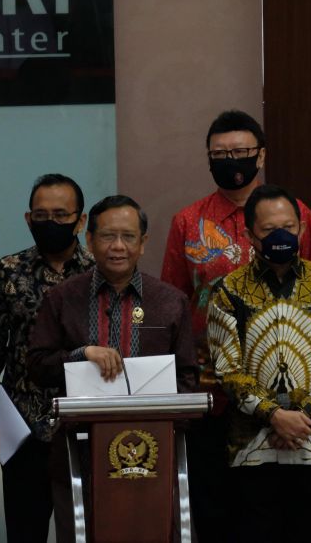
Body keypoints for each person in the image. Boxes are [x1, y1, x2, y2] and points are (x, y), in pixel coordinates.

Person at [160, 109, 311, 541]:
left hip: (289, 399)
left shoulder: (297, 215)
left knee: (289, 517)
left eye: (240, 151)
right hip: (214, 395)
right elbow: (173, 307)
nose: (231, 160)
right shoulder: (188, 222)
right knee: (218, 513)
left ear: (261, 155)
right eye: (220, 154)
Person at [27, 195, 196, 541]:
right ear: (89, 240)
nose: (118, 246)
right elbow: (37, 365)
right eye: (107, 236)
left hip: (152, 456)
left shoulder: (170, 302)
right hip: (78, 453)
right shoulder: (62, 298)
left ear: (143, 243)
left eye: (128, 237)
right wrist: (80, 355)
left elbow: (188, 379)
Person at [207, 184, 311, 542]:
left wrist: (301, 418)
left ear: (301, 229)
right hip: (251, 451)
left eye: (288, 227)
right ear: (249, 236)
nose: (281, 236)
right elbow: (227, 369)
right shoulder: (228, 291)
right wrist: (274, 416)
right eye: (269, 230)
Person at [0, 174, 94, 542]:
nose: (50, 223)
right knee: (25, 530)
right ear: (28, 219)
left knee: (85, 529)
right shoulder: (8, 271)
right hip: (22, 424)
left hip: (84, 421)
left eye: (60, 215)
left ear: (80, 220)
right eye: (41, 215)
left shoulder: (98, 273)